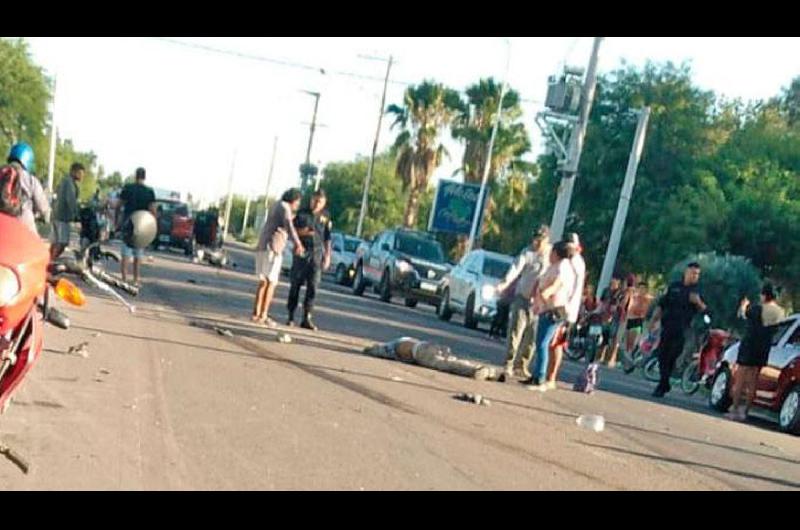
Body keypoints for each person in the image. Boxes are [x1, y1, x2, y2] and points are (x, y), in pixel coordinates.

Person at [495, 225, 551, 380]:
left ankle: (522, 365)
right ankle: (508, 364)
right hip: (523, 298)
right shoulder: (527, 252)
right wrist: (504, 284)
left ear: (547, 239)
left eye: (540, 239)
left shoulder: (551, 255)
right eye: (535, 239)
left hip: (540, 303)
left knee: (532, 337)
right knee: (515, 332)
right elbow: (515, 269)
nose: (537, 243)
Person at [726, 284, 785, 421]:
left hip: (749, 345)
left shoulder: (758, 309)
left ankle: (734, 409)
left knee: (740, 379)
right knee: (753, 380)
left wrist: (744, 305)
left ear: (764, 295)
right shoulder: (780, 312)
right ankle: (745, 411)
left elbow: (744, 314)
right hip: (763, 348)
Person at [648, 262, 707, 398]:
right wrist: (653, 320)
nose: (695, 276)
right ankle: (664, 383)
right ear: (686, 272)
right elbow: (662, 304)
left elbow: (705, 309)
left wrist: (698, 302)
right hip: (668, 325)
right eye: (693, 273)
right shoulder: (674, 286)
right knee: (662, 355)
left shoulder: (697, 290)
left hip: (683, 329)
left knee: (673, 356)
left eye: (697, 274)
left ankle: (663, 384)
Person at [525, 241, 576, 391]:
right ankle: (536, 375)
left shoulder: (563, 267)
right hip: (546, 308)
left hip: (553, 310)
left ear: (556, 253)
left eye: (551, 253)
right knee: (540, 342)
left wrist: (546, 294)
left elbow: (557, 284)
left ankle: (540, 377)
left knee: (542, 343)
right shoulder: (556, 266)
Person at [252, 188, 304, 326]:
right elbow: (289, 225)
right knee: (271, 282)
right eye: (297, 202)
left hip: (263, 245)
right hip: (273, 248)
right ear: (293, 200)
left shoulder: (276, 204)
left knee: (263, 281)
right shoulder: (285, 207)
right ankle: (263, 314)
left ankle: (256, 313)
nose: (297, 206)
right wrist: (298, 243)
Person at [286, 189, 332, 330]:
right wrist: (304, 232)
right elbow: (291, 231)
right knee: (296, 285)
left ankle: (307, 317)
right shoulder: (301, 213)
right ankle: (291, 316)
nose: (317, 204)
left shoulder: (326, 216)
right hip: (301, 252)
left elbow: (327, 237)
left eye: (320, 202)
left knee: (313, 287)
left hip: (316, 254)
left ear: (324, 203)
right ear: (311, 199)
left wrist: (327, 255)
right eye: (315, 200)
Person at [546, 232, 586, 390]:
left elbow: (571, 288)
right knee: (553, 343)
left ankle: (551, 377)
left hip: (566, 309)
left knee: (556, 344)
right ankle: (548, 376)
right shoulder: (572, 261)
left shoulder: (575, 262)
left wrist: (565, 307)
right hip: (564, 307)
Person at [117, 167, 156, 287]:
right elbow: (152, 210)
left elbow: (119, 205)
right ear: (144, 177)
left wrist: (117, 219)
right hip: (142, 224)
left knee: (126, 253)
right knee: (138, 254)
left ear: (135, 176)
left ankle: (124, 278)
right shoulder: (149, 192)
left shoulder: (128, 188)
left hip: (128, 222)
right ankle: (136, 279)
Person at [6, 143, 50, 234]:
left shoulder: (2, 173)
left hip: (2, 222)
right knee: (36, 247)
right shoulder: (31, 180)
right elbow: (42, 207)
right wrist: (45, 215)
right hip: (23, 223)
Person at [50, 162, 85, 260]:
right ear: (74, 172)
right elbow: (71, 200)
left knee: (55, 242)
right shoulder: (69, 183)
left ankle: (49, 260)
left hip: (56, 215)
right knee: (62, 242)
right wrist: (76, 214)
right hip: (62, 217)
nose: (82, 176)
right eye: (80, 173)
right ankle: (51, 261)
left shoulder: (64, 180)